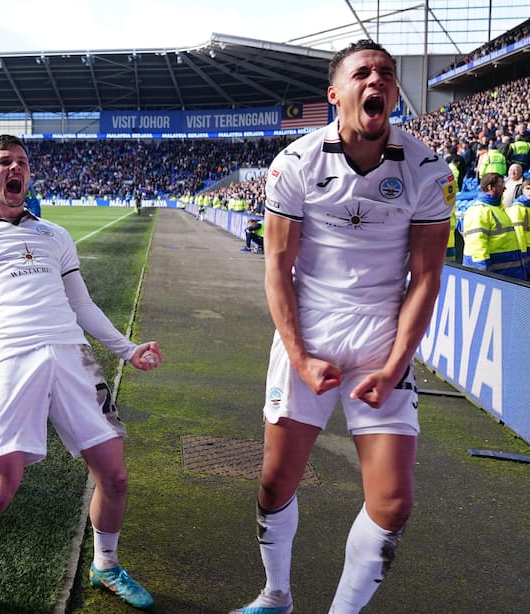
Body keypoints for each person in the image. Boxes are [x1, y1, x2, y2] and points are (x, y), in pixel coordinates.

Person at [232, 40, 453, 614]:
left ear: (394, 92)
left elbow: (427, 278)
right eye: (362, 73)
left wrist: (395, 365)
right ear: (335, 94)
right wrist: (299, 356)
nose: (376, 79)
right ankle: (276, 594)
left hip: (381, 342)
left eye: (386, 73)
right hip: (308, 335)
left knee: (393, 503)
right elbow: (277, 268)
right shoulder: (295, 163)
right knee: (276, 482)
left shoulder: (429, 169)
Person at [0, 135, 162, 613]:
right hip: (10, 361)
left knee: (115, 476)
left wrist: (128, 350)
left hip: (72, 356)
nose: (16, 168)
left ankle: (106, 565)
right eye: (5, 162)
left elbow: (82, 306)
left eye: (23, 162)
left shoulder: (55, 235)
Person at [462, 172, 527, 280]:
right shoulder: (479, 210)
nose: (505, 188)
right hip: (495, 276)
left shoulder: (499, 209)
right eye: (501, 185)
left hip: (507, 273)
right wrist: (483, 273)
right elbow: (477, 245)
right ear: (489, 187)